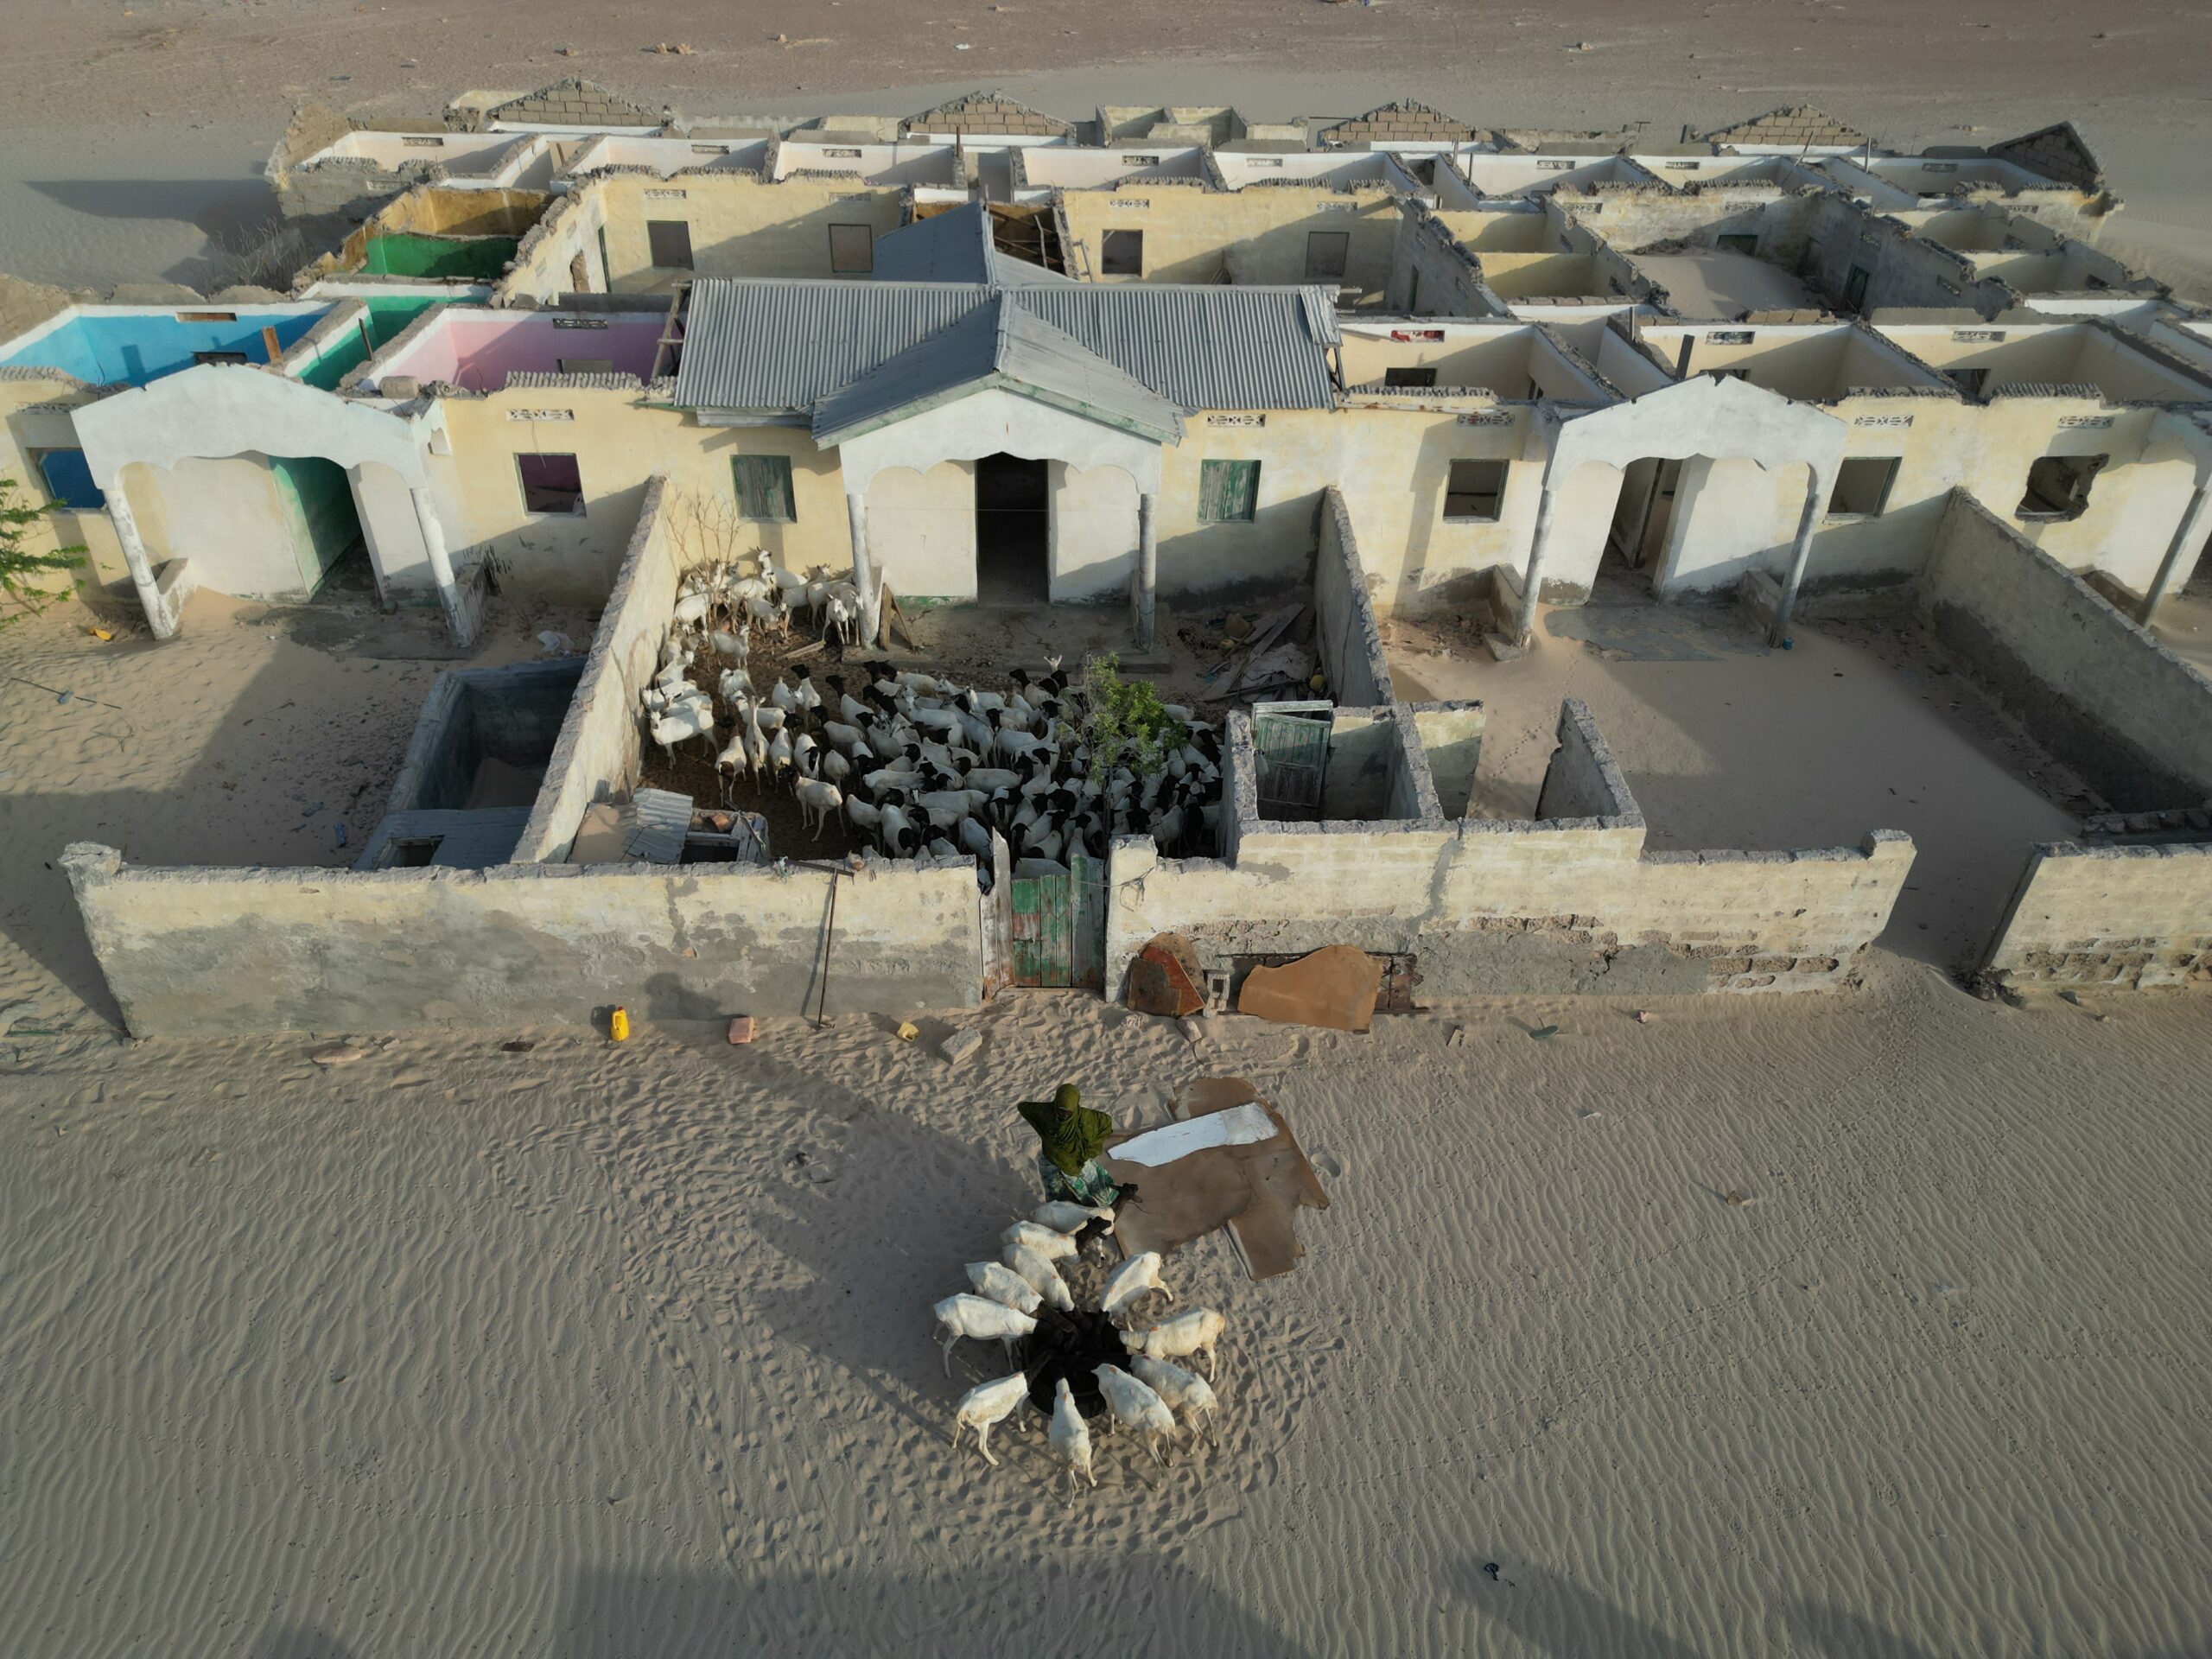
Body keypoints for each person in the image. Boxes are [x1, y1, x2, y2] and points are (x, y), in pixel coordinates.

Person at [1018, 1083, 1121, 1207]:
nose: (1064, 1115)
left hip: (1078, 1162)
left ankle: (1101, 1212)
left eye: (1068, 1112)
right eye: (1060, 1111)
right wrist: (1045, 1115)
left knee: (1095, 1190)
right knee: (1058, 1198)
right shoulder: (1046, 1114)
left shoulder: (1087, 1118)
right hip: (1051, 1162)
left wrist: (1092, 1149)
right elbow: (1023, 1107)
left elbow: (1106, 1124)